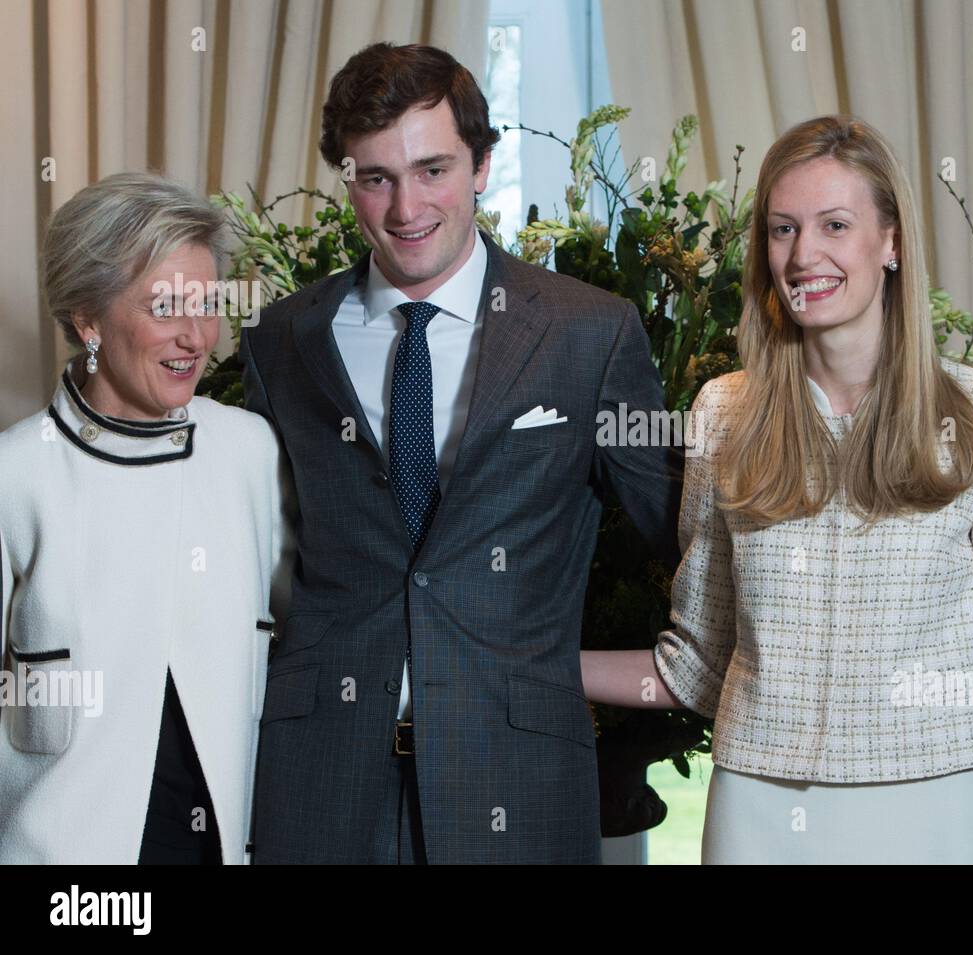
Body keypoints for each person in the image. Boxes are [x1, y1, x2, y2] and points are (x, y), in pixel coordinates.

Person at [240, 43, 683, 864]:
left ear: (482, 164)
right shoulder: (281, 340)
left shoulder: (589, 332)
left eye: (432, 169)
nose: (406, 206)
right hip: (318, 785)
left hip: (520, 779)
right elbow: (251, 564)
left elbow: (692, 541)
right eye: (375, 177)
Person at [581, 115, 973, 864]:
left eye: (834, 224)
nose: (804, 255)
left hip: (934, 804)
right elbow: (697, 658)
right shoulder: (723, 414)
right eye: (783, 229)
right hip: (758, 809)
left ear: (891, 242)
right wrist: (525, 660)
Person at [0, 171, 290, 863]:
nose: (197, 336)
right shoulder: (17, 473)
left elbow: (312, 648)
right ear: (87, 318)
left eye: (208, 303)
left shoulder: (249, 452)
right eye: (165, 306)